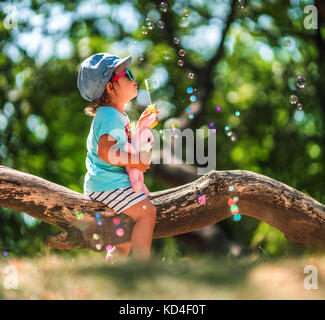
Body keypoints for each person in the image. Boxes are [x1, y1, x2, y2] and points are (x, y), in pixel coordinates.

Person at [77, 53, 157, 262]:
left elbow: (124, 146)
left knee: (123, 243)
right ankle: (143, 268)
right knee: (147, 213)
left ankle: (112, 279)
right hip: (108, 185)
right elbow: (106, 152)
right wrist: (136, 162)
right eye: (127, 74)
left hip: (108, 184)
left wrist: (139, 127)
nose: (134, 78)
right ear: (111, 88)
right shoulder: (110, 116)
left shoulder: (113, 115)